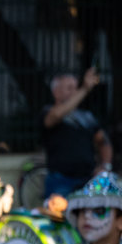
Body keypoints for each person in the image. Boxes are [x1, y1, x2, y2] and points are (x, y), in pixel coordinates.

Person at [42, 68, 112, 198]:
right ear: (56, 92)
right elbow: (56, 116)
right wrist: (84, 89)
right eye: (69, 88)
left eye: (76, 88)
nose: (75, 92)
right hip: (61, 181)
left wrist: (105, 166)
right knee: (57, 217)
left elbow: (103, 141)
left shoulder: (87, 116)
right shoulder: (48, 111)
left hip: (88, 180)